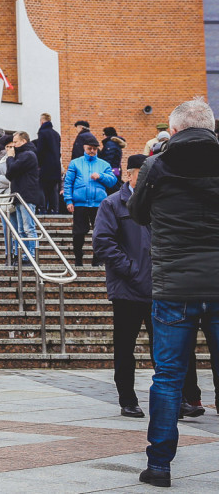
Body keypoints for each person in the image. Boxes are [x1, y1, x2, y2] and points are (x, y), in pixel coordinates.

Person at [128, 99, 219, 488]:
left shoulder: (157, 164)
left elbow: (137, 212)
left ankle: (160, 466)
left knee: (167, 377)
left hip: (174, 285)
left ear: (176, 129)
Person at [93, 154, 154, 418]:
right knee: (125, 348)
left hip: (157, 288)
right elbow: (103, 242)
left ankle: (175, 399)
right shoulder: (112, 204)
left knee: (163, 349)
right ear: (128, 175)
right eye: (141, 174)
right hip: (127, 288)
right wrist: (131, 269)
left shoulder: (158, 202)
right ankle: (127, 399)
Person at [63, 137, 116, 266]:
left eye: (94, 148)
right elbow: (68, 183)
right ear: (84, 148)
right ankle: (78, 259)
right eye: (89, 148)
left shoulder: (104, 164)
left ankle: (97, 260)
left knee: (99, 233)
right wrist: (69, 200)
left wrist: (101, 176)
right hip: (80, 203)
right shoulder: (75, 163)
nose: (92, 151)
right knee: (78, 233)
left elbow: (113, 181)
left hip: (98, 204)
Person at [4, 131, 44, 260]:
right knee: (21, 229)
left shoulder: (28, 155)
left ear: (23, 141)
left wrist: (10, 157)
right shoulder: (22, 155)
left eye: (15, 142)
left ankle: (31, 254)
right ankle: (26, 254)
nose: (13, 145)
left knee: (28, 227)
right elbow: (10, 174)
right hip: (20, 195)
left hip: (26, 195)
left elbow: (11, 171)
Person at [35, 113, 62, 213]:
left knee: (41, 187)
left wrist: (39, 164)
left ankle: (43, 209)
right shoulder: (56, 134)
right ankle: (54, 209)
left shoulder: (42, 133)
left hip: (45, 166)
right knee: (53, 189)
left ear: (41, 121)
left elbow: (40, 150)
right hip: (56, 166)